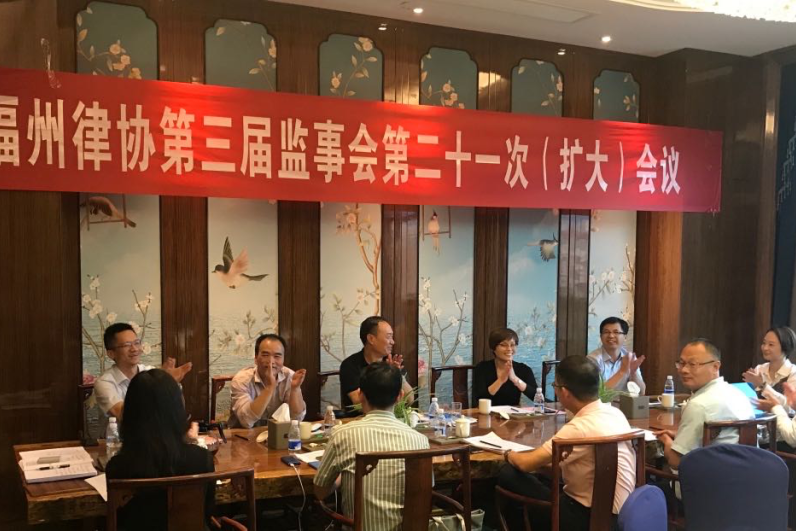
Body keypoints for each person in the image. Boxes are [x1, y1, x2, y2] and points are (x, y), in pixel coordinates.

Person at [497, 355, 637, 531]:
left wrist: (507, 453)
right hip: (624, 517)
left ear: (564, 392)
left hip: (585, 519)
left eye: (555, 386)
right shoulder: (615, 414)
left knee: (508, 473)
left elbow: (525, 464)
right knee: (545, 477)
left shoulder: (577, 427)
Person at [314, 362, 429, 529]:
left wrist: (341, 479)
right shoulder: (420, 440)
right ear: (400, 396)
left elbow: (320, 491)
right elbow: (424, 490)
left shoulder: (342, 434)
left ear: (360, 395)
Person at [105, 369, 214, 530]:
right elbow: (207, 513)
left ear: (131, 413)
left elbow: (118, 520)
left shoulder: (117, 467)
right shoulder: (202, 459)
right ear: (177, 410)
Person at [655, 339, 755, 470]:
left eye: (692, 364)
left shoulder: (699, 405)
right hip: (748, 474)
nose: (684, 370)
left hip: (711, 479)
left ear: (715, 367)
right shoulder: (739, 394)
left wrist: (666, 440)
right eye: (681, 363)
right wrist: (680, 435)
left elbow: (677, 461)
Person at [94, 322, 192, 420]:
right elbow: (124, 415)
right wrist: (162, 385)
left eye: (137, 343)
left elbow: (178, 410)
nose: (134, 349)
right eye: (126, 345)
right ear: (111, 354)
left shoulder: (150, 372)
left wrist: (171, 384)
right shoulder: (104, 382)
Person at [228, 333, 307, 428]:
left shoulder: (290, 376)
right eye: (265, 355)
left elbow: (297, 418)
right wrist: (270, 387)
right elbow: (247, 421)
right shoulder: (241, 380)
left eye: (277, 356)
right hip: (242, 434)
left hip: (278, 433)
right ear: (256, 358)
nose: (271, 362)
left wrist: (295, 389)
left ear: (283, 359)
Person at [339, 316, 413, 411]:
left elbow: (410, 400)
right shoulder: (350, 365)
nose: (393, 342)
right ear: (371, 339)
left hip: (391, 417)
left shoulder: (393, 361)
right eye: (388, 337)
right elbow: (358, 403)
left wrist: (396, 373)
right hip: (360, 418)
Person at [472, 328, 537, 407]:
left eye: (512, 345)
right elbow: (480, 399)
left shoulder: (524, 369)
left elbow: (538, 398)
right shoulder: (482, 368)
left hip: (513, 413)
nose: (509, 349)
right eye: (503, 345)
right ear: (493, 348)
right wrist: (500, 380)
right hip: (488, 413)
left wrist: (515, 379)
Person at [587, 317, 645, 394]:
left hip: (625, 401)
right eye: (606, 332)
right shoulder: (592, 360)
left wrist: (633, 372)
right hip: (602, 402)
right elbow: (596, 394)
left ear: (625, 337)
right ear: (601, 336)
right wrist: (622, 371)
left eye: (616, 332)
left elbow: (642, 392)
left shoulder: (629, 357)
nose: (611, 336)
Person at [743, 326, 796, 408]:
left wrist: (762, 386)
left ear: (785, 347)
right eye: (764, 343)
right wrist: (748, 387)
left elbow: (790, 407)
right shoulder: (759, 369)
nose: (765, 348)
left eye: (771, 344)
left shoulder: (793, 373)